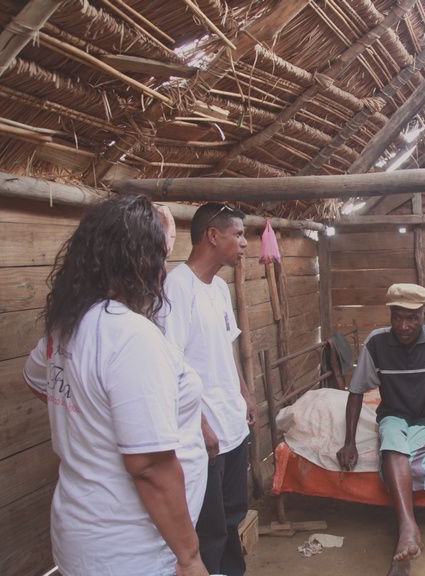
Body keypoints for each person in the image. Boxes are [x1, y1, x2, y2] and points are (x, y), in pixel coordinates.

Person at [22, 195, 208, 576]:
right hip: (134, 549)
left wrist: (92, 415)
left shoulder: (69, 324)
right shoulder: (129, 336)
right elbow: (150, 467)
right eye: (160, 254)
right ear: (140, 262)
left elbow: (38, 380)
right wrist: (189, 557)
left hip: (84, 532)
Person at [336, 283, 425, 576]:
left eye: (413, 317)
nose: (404, 325)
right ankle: (408, 529)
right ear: (390, 315)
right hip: (393, 415)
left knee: (400, 456)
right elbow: (357, 391)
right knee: (393, 442)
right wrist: (349, 442)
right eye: (397, 317)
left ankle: (405, 539)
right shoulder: (376, 342)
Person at [159, 202, 257, 576]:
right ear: (212, 236)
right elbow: (171, 368)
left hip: (232, 422)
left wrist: (245, 393)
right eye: (238, 234)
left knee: (232, 514)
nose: (244, 243)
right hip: (206, 433)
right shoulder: (175, 289)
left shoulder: (218, 287)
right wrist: (200, 426)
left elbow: (227, 344)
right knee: (210, 526)